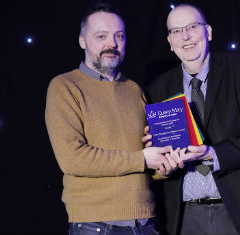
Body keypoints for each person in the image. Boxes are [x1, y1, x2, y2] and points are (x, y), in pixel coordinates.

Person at [144, 3, 240, 235]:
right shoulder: (157, 89)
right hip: (185, 216)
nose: (185, 36)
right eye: (176, 31)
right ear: (169, 41)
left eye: (192, 27)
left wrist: (212, 154)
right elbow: (159, 161)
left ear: (208, 32)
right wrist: (159, 155)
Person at [45, 2, 179, 235]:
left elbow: (147, 161)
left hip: (146, 223)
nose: (112, 44)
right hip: (96, 225)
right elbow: (72, 159)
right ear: (82, 41)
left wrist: (165, 165)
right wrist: (143, 159)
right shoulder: (64, 86)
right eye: (101, 36)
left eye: (119, 35)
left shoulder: (134, 89)